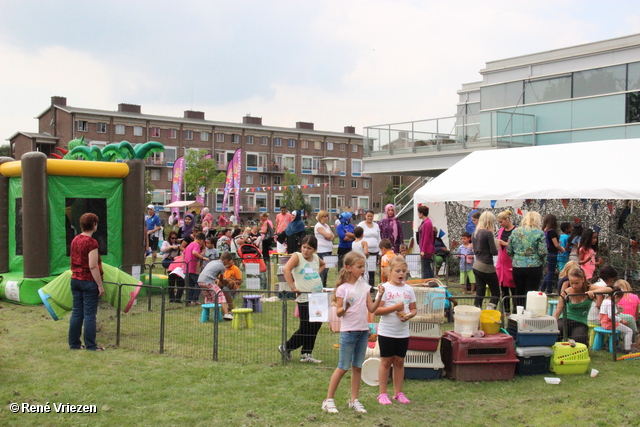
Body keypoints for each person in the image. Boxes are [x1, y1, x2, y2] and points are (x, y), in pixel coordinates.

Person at [322, 252, 384, 414]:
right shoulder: (343, 289)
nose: (362, 269)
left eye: (363, 266)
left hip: (363, 332)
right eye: (359, 267)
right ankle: (328, 400)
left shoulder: (364, 288)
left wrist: (380, 295)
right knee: (343, 367)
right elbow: (340, 313)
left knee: (357, 367)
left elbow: (371, 308)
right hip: (349, 332)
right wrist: (347, 306)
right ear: (348, 268)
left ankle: (354, 400)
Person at [375, 256, 417, 406]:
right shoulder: (385, 289)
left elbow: (413, 309)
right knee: (386, 362)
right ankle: (382, 393)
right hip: (387, 332)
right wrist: (394, 308)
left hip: (403, 332)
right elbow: (377, 310)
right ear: (390, 271)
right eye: (398, 271)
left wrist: (409, 315)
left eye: (404, 271)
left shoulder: (409, 289)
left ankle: (398, 392)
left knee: (399, 361)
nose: (401, 274)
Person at [279, 235, 326, 363]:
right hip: (304, 297)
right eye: (304, 247)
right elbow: (286, 269)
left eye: (309, 248)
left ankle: (306, 353)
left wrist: (316, 274)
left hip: (318, 297)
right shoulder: (297, 256)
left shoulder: (316, 258)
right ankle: (286, 347)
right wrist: (293, 287)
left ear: (315, 250)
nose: (305, 250)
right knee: (306, 327)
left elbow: (323, 265)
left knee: (316, 325)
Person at [69, 213, 105, 351]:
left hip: (75, 279)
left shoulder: (75, 240)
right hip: (88, 281)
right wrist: (100, 285)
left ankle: (74, 344)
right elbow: (93, 265)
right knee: (90, 315)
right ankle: (91, 345)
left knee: (77, 313)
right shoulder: (92, 243)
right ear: (94, 224)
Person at [507, 211, 547, 307]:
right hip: (534, 266)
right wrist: (543, 263)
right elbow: (542, 251)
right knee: (532, 294)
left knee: (519, 292)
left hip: (518, 266)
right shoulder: (539, 233)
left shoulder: (515, 231)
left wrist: (516, 258)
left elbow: (509, 250)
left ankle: (517, 314)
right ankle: (530, 315)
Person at [553, 267, 597, 346]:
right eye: (571, 283)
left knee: (579, 338)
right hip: (565, 320)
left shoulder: (589, 288)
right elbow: (557, 312)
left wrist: (592, 292)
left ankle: (582, 346)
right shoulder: (566, 292)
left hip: (580, 322)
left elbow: (609, 289)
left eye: (576, 283)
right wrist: (551, 325)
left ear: (583, 279)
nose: (574, 286)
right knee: (556, 331)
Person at [472, 211, 500, 310]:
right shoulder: (488, 233)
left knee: (480, 292)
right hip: (487, 266)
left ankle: (476, 311)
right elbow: (494, 252)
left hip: (477, 265)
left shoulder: (475, 233)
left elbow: (475, 250)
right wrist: (497, 244)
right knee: (496, 292)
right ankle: (490, 311)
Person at [600, 287, 636, 354]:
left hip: (604, 322)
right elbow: (611, 316)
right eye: (619, 299)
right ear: (616, 296)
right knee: (629, 331)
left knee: (624, 330)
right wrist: (621, 321)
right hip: (609, 323)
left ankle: (622, 343)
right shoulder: (610, 303)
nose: (619, 301)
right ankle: (627, 349)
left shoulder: (605, 301)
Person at [541, 214, 565, 294]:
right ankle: (549, 290)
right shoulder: (552, 232)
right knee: (551, 273)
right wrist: (561, 249)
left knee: (549, 272)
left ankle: (542, 288)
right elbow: (556, 244)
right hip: (552, 254)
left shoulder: (545, 231)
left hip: (547, 253)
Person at [358, 210, 381, 287]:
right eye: (368, 216)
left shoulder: (376, 225)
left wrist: (380, 251)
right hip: (365, 251)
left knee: (372, 270)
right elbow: (358, 237)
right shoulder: (361, 225)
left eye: (371, 216)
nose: (370, 218)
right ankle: (363, 286)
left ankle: (371, 287)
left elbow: (378, 238)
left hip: (375, 251)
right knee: (364, 270)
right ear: (365, 216)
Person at [184, 232, 208, 305]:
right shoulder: (196, 244)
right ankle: (194, 300)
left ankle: (189, 300)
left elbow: (183, 253)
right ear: (201, 240)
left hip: (186, 267)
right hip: (193, 268)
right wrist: (202, 257)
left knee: (190, 285)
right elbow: (194, 252)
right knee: (198, 283)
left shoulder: (189, 245)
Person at [314, 210, 334, 288]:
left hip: (328, 249)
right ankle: (321, 285)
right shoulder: (318, 226)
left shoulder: (326, 225)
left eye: (327, 216)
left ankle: (324, 285)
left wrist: (330, 236)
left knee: (327, 269)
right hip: (322, 250)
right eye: (324, 216)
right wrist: (329, 236)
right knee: (323, 269)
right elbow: (327, 235)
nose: (326, 218)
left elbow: (332, 235)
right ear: (320, 217)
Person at [416, 205, 434, 279]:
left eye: (418, 213)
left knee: (426, 268)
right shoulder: (425, 222)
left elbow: (426, 237)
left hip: (426, 249)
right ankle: (429, 280)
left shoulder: (427, 223)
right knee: (426, 266)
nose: (418, 214)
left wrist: (423, 250)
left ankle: (427, 281)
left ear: (421, 214)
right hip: (424, 248)